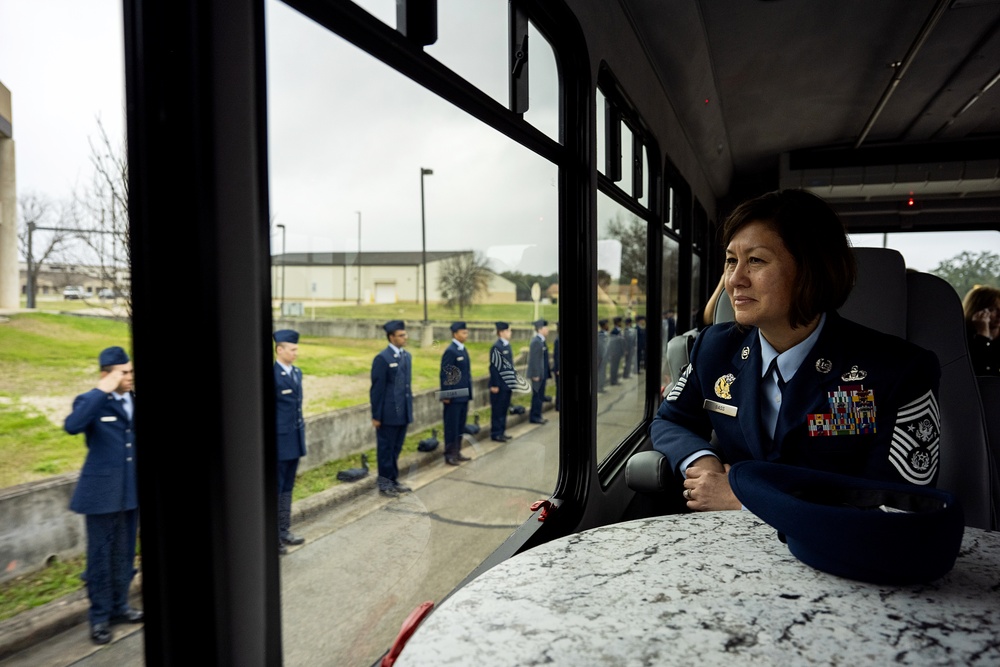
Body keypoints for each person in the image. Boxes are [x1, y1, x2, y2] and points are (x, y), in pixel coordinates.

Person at [650, 189, 941, 512]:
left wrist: (750, 499)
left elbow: (896, 501)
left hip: (839, 552)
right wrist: (703, 461)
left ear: (810, 270)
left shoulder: (899, 370)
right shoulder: (714, 348)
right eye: (731, 260)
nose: (735, 280)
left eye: (756, 261)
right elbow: (670, 421)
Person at [65, 346, 143, 645]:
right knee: (100, 558)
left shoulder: (135, 400)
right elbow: (72, 426)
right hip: (100, 495)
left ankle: (120, 607)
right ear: (106, 374)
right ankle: (99, 618)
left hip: (130, 492)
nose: (129, 376)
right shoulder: (91, 401)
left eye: (131, 370)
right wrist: (102, 390)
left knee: (124, 554)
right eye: (123, 372)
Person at [371, 320, 414, 497]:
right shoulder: (382, 358)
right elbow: (377, 390)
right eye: (401, 335)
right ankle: (385, 484)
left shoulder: (407, 356)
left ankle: (393, 480)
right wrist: (376, 415)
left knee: (396, 448)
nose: (405, 337)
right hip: (388, 414)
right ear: (391, 337)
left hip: (402, 412)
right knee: (385, 449)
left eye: (405, 334)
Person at [273, 329, 306, 554]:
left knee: (287, 488)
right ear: (280, 349)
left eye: (296, 349)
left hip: (294, 439)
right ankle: (273, 537)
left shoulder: (296, 372)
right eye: (292, 349)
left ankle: (284, 530)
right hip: (279, 441)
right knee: (276, 489)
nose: (296, 353)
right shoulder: (272, 374)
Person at [440, 321, 473, 465]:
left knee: (460, 425)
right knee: (451, 427)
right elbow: (445, 375)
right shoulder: (451, 351)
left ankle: (457, 451)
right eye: (463, 332)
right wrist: (446, 395)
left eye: (466, 332)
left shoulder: (462, 349)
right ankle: (449, 454)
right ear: (455, 334)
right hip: (453, 397)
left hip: (463, 395)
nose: (466, 334)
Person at [962, 285, 1000, 376]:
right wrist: (983, 335)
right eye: (992, 310)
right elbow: (981, 371)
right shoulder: (964, 338)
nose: (999, 314)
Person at [489, 321, 516, 441]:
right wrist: (495, 384)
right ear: (501, 332)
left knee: (504, 408)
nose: (510, 333)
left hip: (507, 384)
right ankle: (496, 433)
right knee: (498, 410)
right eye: (508, 331)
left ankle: (502, 431)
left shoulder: (507, 346)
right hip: (499, 385)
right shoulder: (497, 347)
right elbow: (494, 367)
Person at [527, 319, 551, 424]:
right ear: (540, 329)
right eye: (546, 328)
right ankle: (535, 416)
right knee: (536, 396)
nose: (548, 330)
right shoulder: (536, 341)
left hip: (542, 374)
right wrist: (535, 374)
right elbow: (534, 359)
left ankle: (538, 414)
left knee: (540, 396)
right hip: (537, 375)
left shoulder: (541, 341)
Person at [608, 316, 624, 385]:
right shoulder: (614, 331)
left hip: (618, 351)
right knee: (613, 367)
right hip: (615, 352)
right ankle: (613, 380)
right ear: (617, 322)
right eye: (620, 322)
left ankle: (615, 379)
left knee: (616, 366)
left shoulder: (619, 330)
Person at [597, 319, 609, 392]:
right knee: (601, 372)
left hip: (605, 356)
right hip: (601, 357)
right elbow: (600, 346)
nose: (608, 326)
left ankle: (602, 386)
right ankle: (600, 387)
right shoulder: (600, 334)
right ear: (604, 325)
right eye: (607, 324)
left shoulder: (606, 333)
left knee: (603, 372)